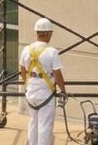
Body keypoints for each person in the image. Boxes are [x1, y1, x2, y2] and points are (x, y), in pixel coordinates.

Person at [20, 17, 67, 145]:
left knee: (33, 122)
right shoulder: (52, 52)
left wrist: (28, 83)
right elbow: (57, 74)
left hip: (31, 92)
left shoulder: (26, 49)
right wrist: (63, 91)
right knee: (45, 126)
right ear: (47, 33)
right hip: (46, 94)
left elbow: (22, 68)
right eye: (50, 34)